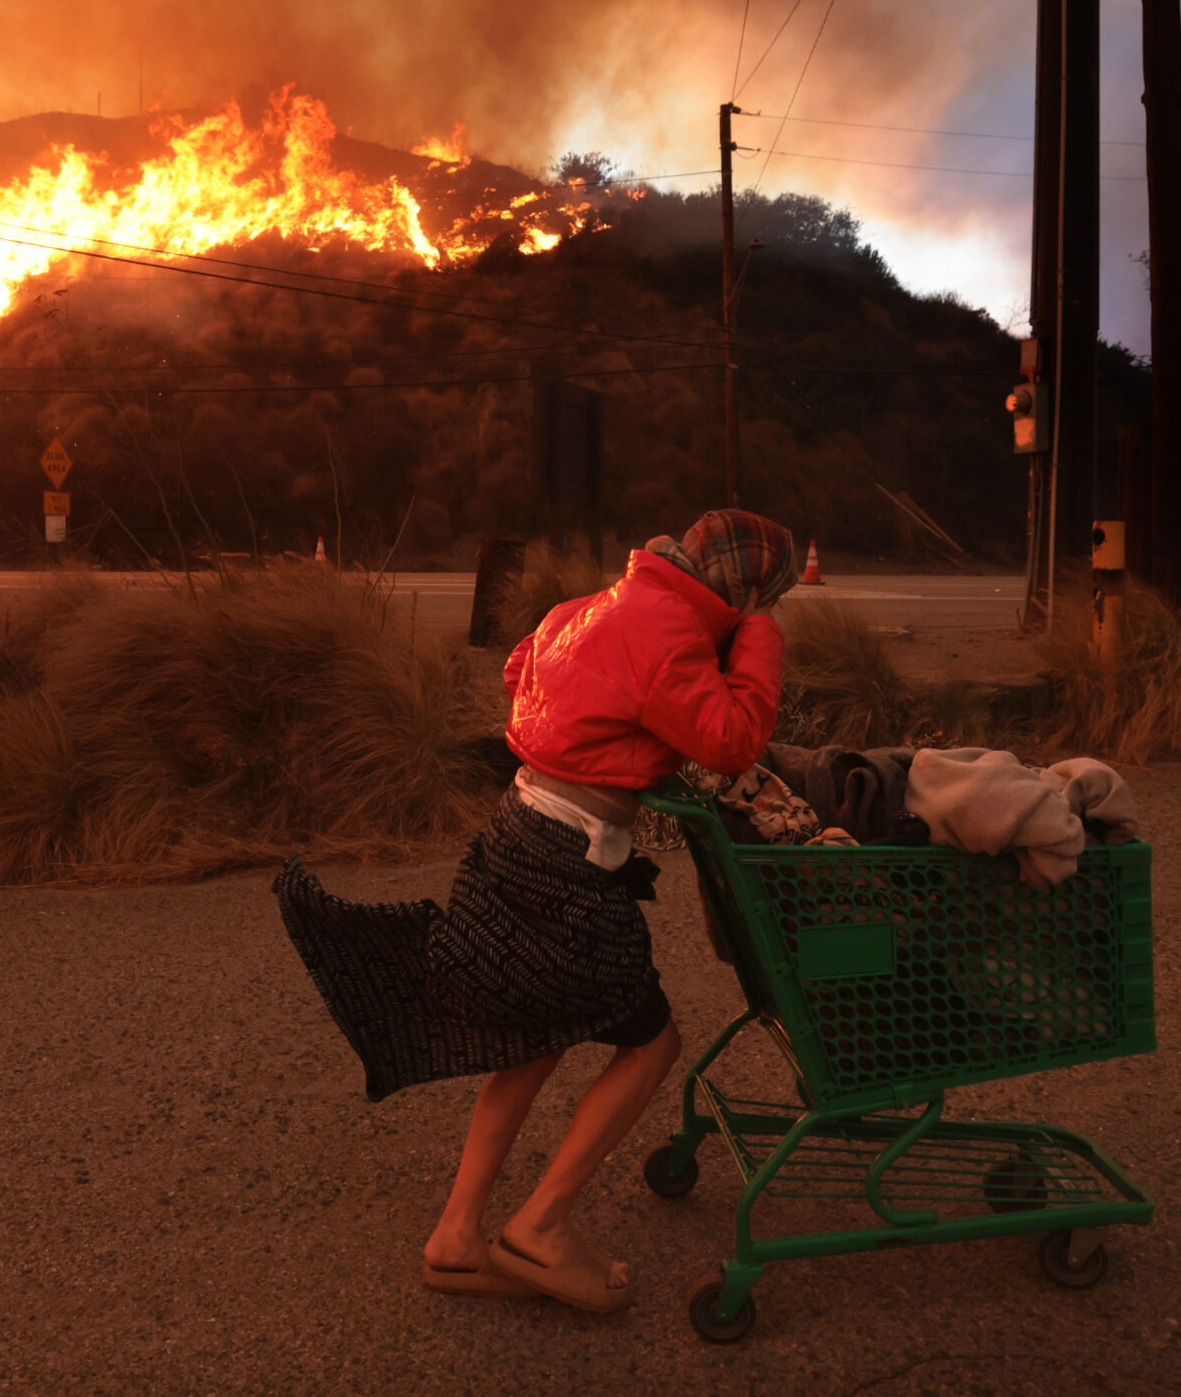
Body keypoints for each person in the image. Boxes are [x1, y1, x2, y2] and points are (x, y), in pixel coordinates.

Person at [274, 509, 795, 1312]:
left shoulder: (590, 606)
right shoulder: (670, 631)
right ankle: (541, 1227)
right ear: (747, 591)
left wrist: (609, 737)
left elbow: (521, 671)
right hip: (571, 863)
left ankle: (456, 1238)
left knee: (533, 1039)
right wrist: (758, 640)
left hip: (517, 830)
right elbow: (729, 740)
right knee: (653, 1044)